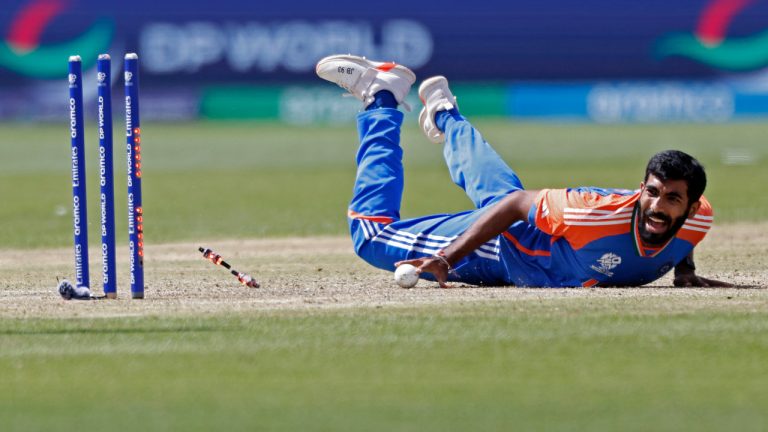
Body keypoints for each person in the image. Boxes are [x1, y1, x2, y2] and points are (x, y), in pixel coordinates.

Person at [315, 54, 731, 288]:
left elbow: (685, 233)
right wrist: (445, 258)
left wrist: (687, 270)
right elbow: (515, 206)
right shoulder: (591, 214)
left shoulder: (699, 217)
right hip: (505, 249)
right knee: (370, 236)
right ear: (642, 188)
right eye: (653, 193)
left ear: (692, 207)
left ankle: (444, 113)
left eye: (673, 199)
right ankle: (381, 97)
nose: (657, 206)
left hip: (541, 231)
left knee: (498, 193)